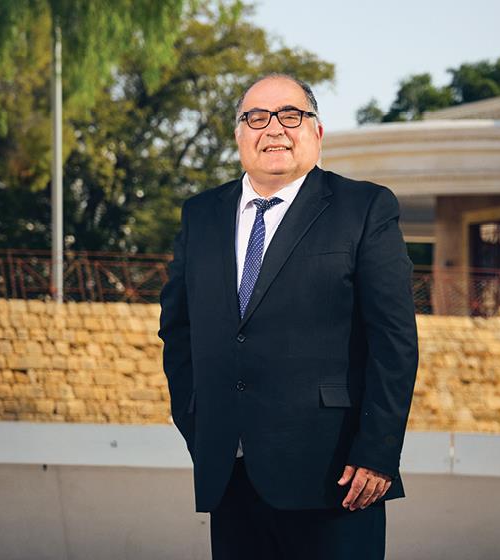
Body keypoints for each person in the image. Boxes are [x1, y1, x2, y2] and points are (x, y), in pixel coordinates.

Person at [159, 73, 419, 560]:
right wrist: (198, 424)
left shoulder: (364, 208)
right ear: (239, 135)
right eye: (256, 117)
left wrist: (378, 452)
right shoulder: (201, 214)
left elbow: (394, 341)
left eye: (291, 115)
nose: (274, 128)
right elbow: (178, 330)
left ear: (317, 132)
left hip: (336, 476)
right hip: (230, 474)